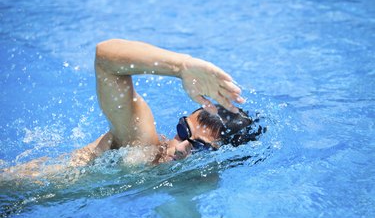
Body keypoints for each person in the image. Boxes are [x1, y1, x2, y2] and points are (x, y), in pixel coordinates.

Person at [2, 39, 263, 178]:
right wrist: (180, 66)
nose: (182, 146)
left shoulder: (193, 180)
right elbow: (105, 58)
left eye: (201, 146)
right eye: (183, 131)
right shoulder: (142, 147)